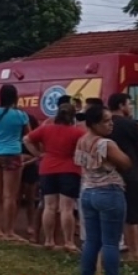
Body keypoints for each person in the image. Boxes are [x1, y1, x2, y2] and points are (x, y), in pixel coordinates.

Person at [74, 104, 131, 275]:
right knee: (110, 243)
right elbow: (125, 162)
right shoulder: (106, 144)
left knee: (91, 241)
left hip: (88, 192)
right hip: (109, 192)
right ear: (94, 124)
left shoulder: (82, 141)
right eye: (106, 121)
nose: (111, 124)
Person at [24, 104, 85, 251]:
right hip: (70, 170)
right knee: (67, 208)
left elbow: (26, 139)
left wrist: (38, 155)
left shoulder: (46, 129)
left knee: (49, 206)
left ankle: (49, 240)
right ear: (72, 117)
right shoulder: (77, 133)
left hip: (47, 169)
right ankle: (69, 242)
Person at [0, 84, 29, 241]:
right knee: (10, 196)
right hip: (12, 153)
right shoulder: (21, 115)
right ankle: (9, 231)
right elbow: (27, 135)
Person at [107, 93, 138, 263]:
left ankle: (111, 247)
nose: (130, 107)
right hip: (129, 173)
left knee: (109, 212)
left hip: (107, 173)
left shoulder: (103, 124)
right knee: (132, 214)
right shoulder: (130, 124)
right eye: (129, 104)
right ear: (121, 105)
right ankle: (135, 251)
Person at [20, 114, 41, 241]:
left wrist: (27, 162)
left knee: (30, 199)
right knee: (16, 198)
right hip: (19, 168)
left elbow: (39, 155)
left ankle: (31, 224)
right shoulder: (18, 138)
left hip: (30, 168)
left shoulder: (34, 138)